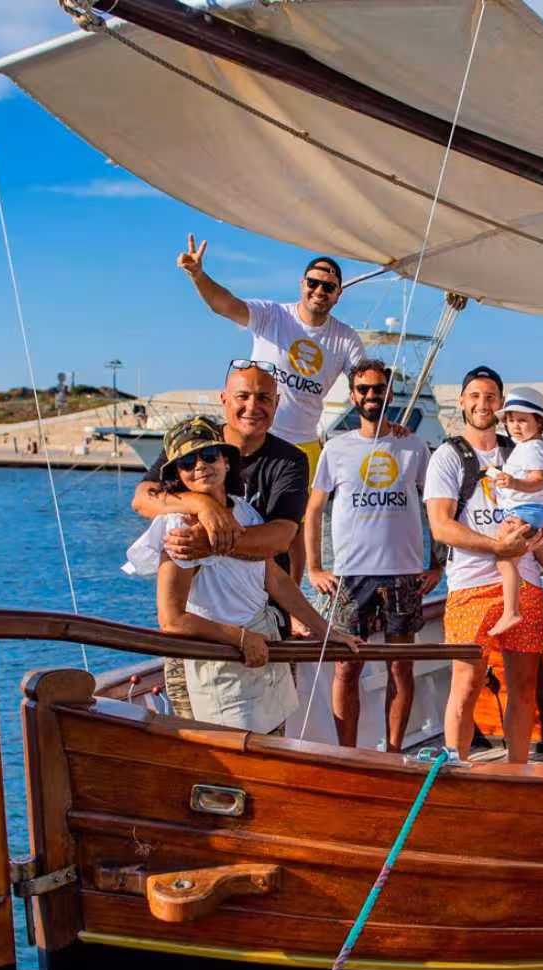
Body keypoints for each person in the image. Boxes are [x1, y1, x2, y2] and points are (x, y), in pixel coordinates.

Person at [125, 417, 359, 731]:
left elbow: (275, 580)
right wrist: (241, 638)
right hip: (220, 659)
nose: (200, 466)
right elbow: (172, 621)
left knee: (274, 743)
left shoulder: (246, 512)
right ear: (177, 474)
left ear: (225, 460)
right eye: (187, 462)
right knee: (237, 764)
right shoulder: (178, 527)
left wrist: (327, 631)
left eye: (208, 456)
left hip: (262, 647)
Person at [130, 362, 310, 716]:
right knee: (203, 740)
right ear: (224, 399)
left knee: (274, 730)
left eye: (263, 398)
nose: (252, 407)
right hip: (201, 637)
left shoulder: (289, 460)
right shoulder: (194, 443)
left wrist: (211, 541)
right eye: (242, 396)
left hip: (266, 620)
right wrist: (201, 504)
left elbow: (280, 538)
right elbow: (142, 498)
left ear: (277, 403)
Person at [425, 365, 543, 764]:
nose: (482, 404)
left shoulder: (523, 448)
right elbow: (440, 526)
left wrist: (541, 537)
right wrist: (496, 548)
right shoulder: (448, 457)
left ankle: (517, 770)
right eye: (474, 396)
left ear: (502, 404)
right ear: (462, 402)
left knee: (523, 687)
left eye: (490, 397)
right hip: (469, 585)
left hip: (526, 583)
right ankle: (456, 770)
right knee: (465, 685)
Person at [303, 359, 441, 751]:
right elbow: (313, 510)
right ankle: (348, 753)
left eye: (378, 389)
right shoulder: (337, 448)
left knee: (400, 666)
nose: (371, 396)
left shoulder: (412, 445)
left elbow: (436, 506)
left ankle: (394, 752)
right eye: (363, 389)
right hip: (351, 576)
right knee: (347, 667)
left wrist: (436, 563)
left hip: (404, 573)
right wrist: (314, 568)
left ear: (389, 394)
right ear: (352, 395)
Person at [176, 235, 367, 480]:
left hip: (303, 448)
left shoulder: (346, 338)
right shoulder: (272, 316)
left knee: (295, 518)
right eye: (313, 283)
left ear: (338, 294)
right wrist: (198, 275)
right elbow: (223, 304)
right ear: (302, 284)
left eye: (328, 287)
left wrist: (385, 427)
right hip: (252, 438)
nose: (319, 290)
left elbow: (365, 385)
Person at [487, 387, 543, 637]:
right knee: (522, 557)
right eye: (511, 420)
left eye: (523, 420)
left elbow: (537, 480)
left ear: (539, 422)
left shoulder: (533, 448)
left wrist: (514, 484)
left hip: (529, 510)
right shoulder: (529, 446)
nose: (515, 426)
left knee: (506, 560)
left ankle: (511, 611)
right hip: (530, 509)